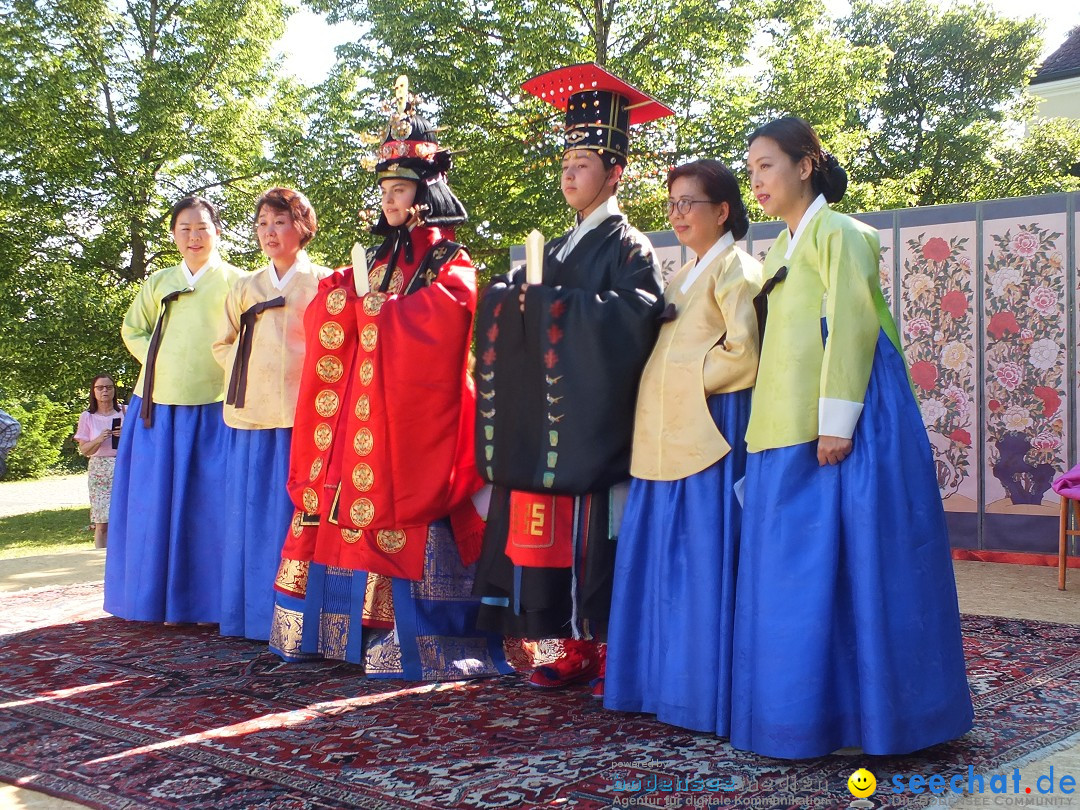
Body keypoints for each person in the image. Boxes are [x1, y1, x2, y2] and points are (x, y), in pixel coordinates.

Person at [731, 116, 973, 758]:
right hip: (783, 425)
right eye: (751, 168)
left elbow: (853, 325)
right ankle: (811, 719)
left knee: (860, 566)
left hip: (847, 424)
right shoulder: (778, 251)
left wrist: (836, 424)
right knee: (798, 577)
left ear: (805, 165)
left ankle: (877, 722)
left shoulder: (841, 233)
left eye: (767, 165)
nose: (756, 179)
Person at [269, 76, 508, 680]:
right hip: (359, 410)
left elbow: (450, 315)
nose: (390, 201)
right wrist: (340, 299)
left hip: (416, 414)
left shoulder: (448, 259)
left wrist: (384, 314)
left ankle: (410, 643)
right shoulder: (373, 259)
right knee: (337, 497)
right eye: (385, 190)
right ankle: (331, 636)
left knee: (407, 499)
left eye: (400, 189)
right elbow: (334, 306)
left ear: (426, 194)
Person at [471, 63, 672, 696]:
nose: (569, 172)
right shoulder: (554, 247)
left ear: (616, 172)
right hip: (549, 422)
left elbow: (637, 315)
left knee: (594, 537)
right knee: (542, 531)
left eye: (583, 161)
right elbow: (517, 310)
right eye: (565, 160)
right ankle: (557, 641)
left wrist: (554, 307)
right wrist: (509, 300)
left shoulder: (629, 245)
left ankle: (606, 644)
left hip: (594, 422)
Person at [604, 160, 761, 732]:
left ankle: (698, 694)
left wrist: (681, 379)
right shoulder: (679, 277)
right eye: (672, 204)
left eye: (689, 203)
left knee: (701, 561)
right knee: (659, 561)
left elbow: (743, 355)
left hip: (708, 427)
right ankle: (654, 684)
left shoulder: (737, 269)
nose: (677, 215)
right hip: (664, 432)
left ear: (722, 211)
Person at [105, 196, 245, 624]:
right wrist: (159, 357)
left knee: (212, 508)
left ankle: (211, 603)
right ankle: (149, 600)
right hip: (158, 405)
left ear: (217, 231)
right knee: (153, 504)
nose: (193, 237)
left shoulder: (238, 282)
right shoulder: (160, 282)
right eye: (184, 228)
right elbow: (133, 328)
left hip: (218, 405)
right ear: (173, 235)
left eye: (201, 227)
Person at [212, 188, 331, 640]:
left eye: (279, 221)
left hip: (308, 419)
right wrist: (251, 373)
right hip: (253, 418)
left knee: (301, 516)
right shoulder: (245, 287)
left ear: (300, 227)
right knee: (253, 517)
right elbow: (222, 343)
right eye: (262, 223)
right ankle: (253, 617)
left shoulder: (324, 282)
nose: (269, 231)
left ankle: (305, 621)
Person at [74, 375, 126, 549]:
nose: (105, 391)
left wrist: (125, 436)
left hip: (125, 466)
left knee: (125, 518)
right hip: (99, 470)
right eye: (100, 387)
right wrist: (98, 439)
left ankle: (124, 556)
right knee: (102, 521)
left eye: (109, 387)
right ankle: (101, 558)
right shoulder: (87, 417)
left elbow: (144, 442)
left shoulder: (125, 412)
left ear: (114, 390)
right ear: (93, 391)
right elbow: (84, 450)